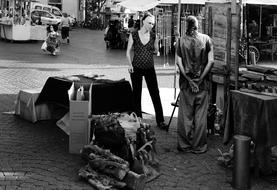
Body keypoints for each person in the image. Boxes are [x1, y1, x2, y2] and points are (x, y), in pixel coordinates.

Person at [176, 15, 214, 154]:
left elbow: (179, 63)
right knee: (200, 117)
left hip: (186, 85)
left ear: (186, 26)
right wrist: (199, 80)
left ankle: (184, 145)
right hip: (202, 86)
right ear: (198, 26)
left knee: (185, 116)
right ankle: (199, 146)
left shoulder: (180, 41)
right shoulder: (207, 39)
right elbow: (211, 62)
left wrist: (190, 80)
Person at [126, 12, 167, 130]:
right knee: (137, 94)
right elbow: (128, 51)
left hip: (149, 67)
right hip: (136, 67)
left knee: (155, 93)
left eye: (153, 24)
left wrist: (157, 45)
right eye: (149, 23)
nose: (151, 25)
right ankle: (138, 118)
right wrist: (129, 64)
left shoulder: (154, 36)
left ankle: (160, 120)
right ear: (143, 21)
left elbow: (156, 51)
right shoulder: (133, 35)